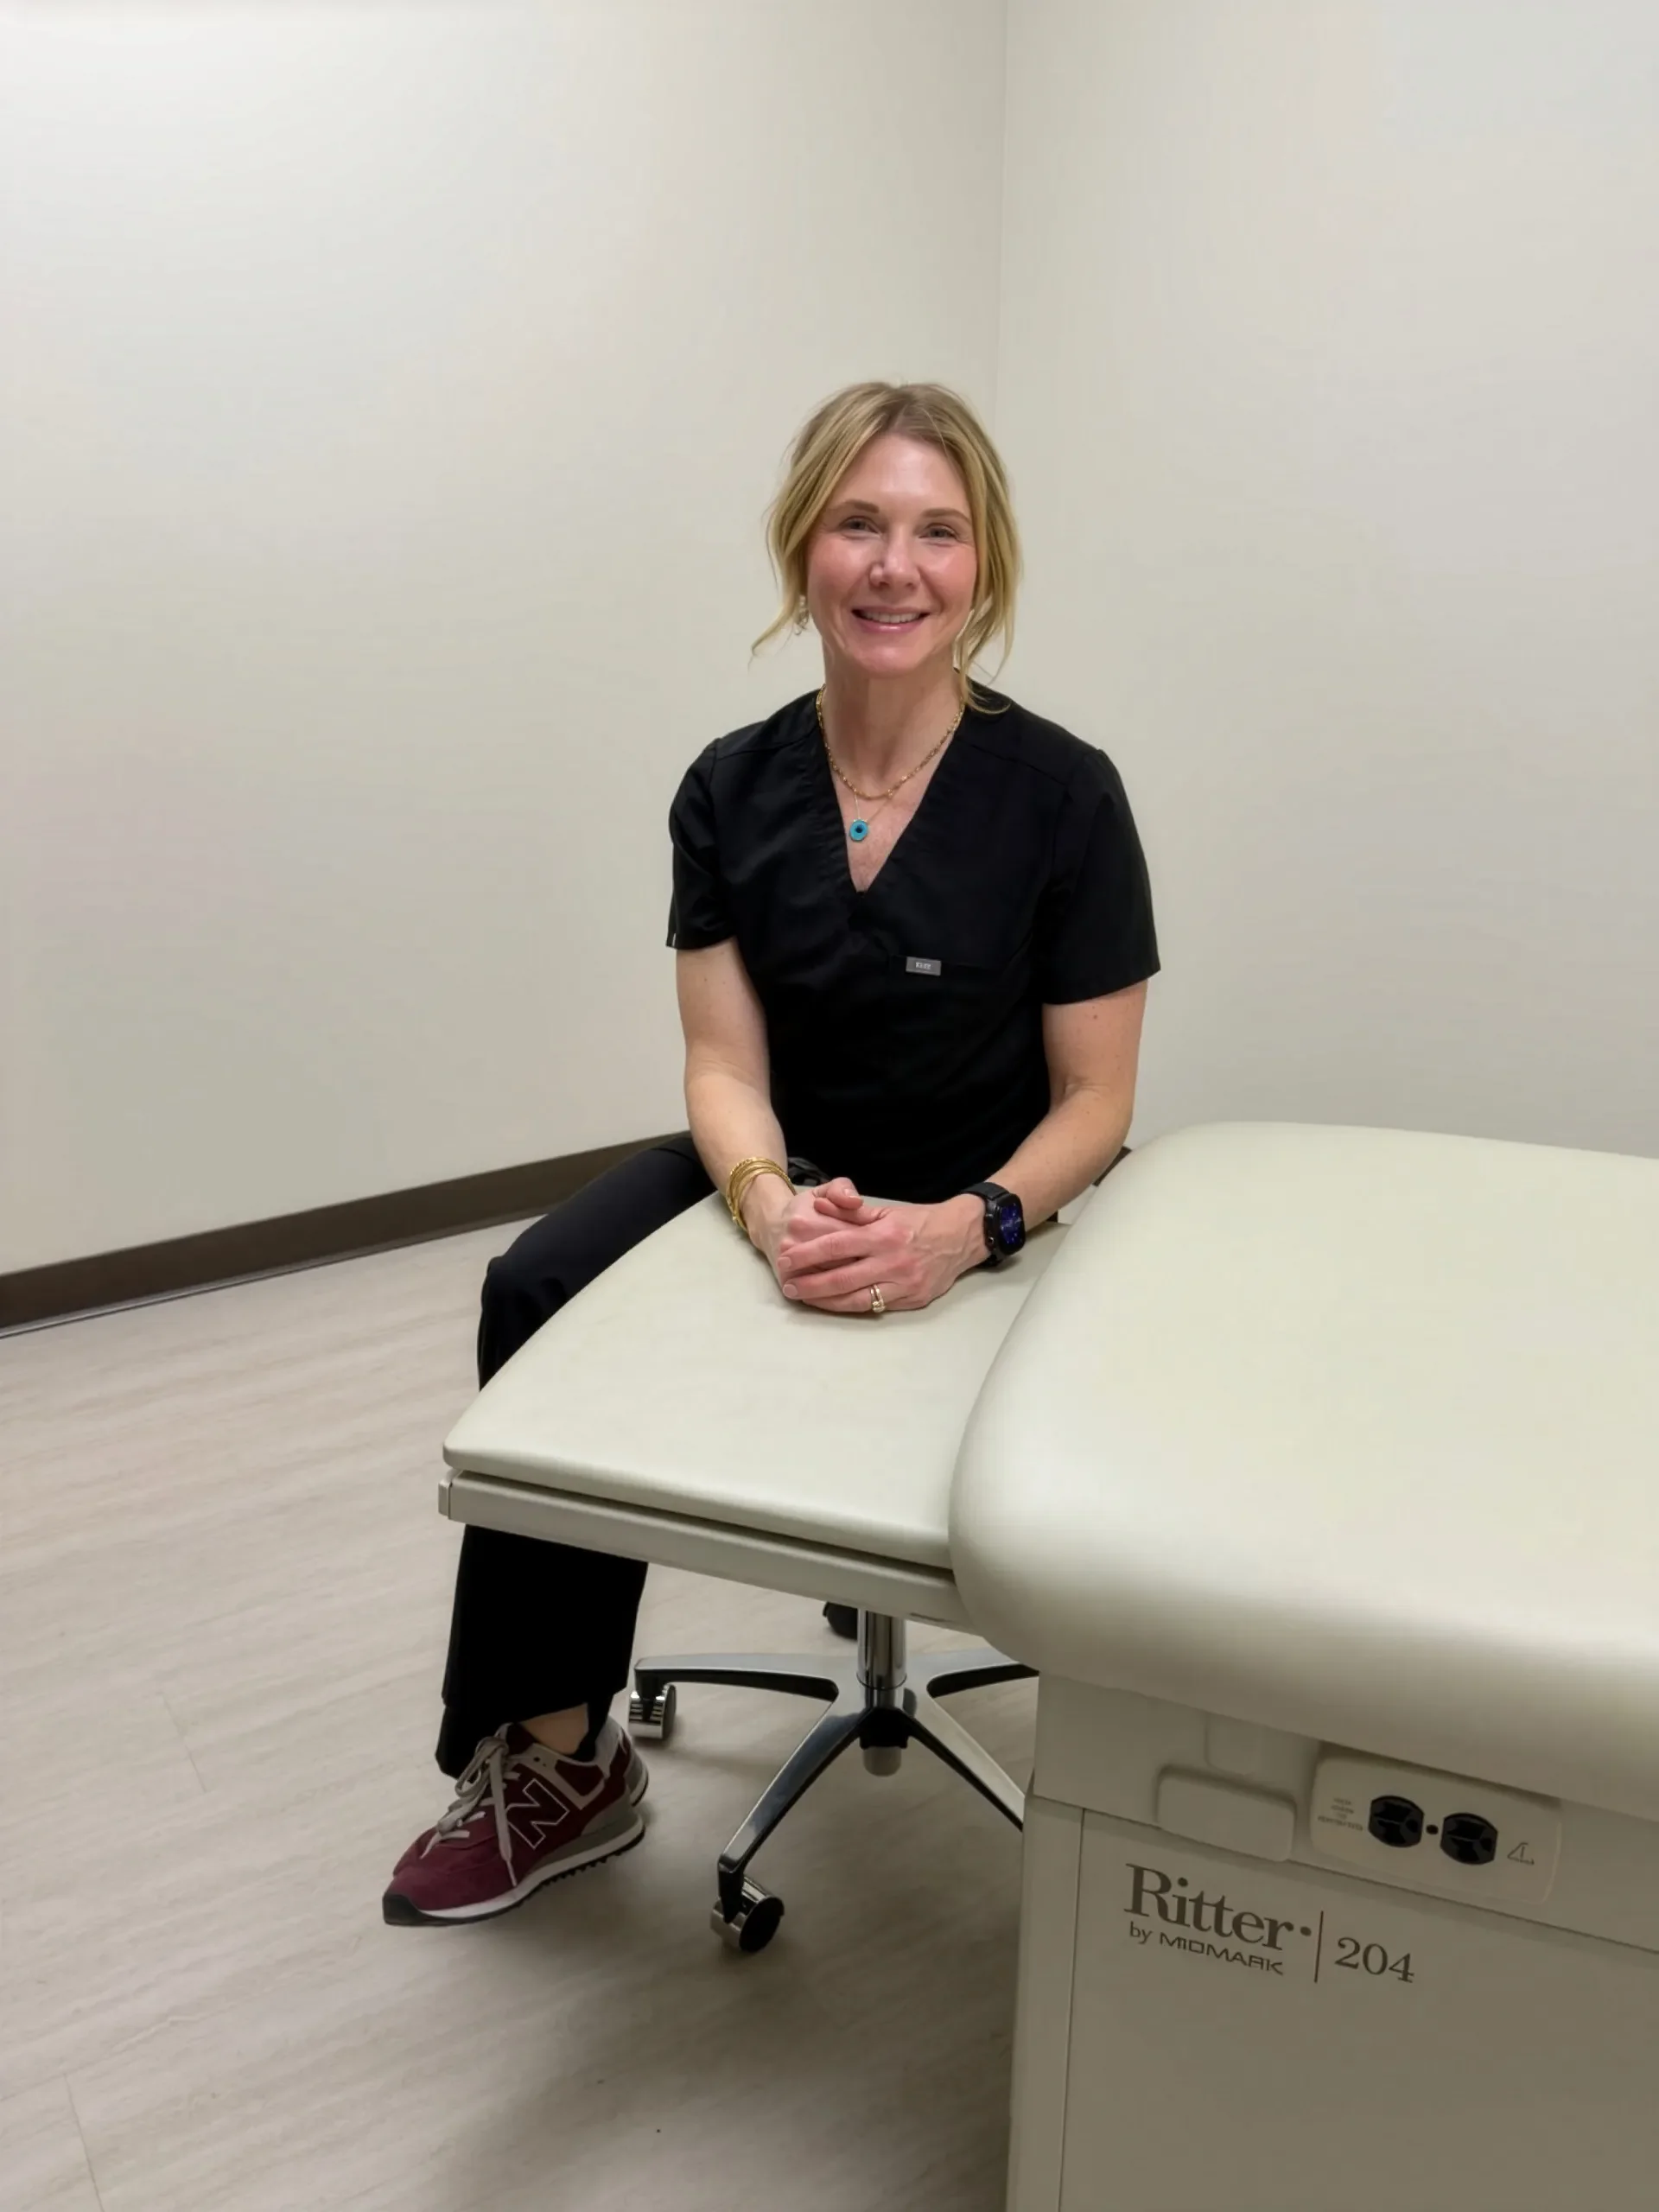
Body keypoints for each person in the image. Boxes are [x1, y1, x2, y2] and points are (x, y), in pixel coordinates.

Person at [382, 381, 1159, 1927]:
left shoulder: (1065, 796)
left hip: (999, 1192)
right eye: (859, 523)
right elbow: (723, 1065)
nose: (896, 566)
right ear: (802, 547)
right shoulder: (730, 787)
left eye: (938, 532)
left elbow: (1097, 1103)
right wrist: (766, 1200)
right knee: (536, 1283)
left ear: (984, 568)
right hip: (787, 1166)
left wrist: (963, 1228)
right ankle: (558, 1756)